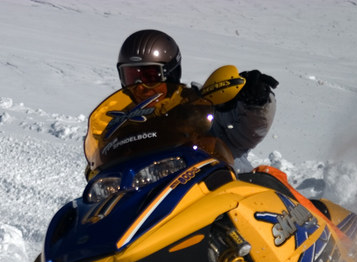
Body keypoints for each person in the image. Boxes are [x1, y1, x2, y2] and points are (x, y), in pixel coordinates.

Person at [97, 29, 279, 174]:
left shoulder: (199, 106)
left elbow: (244, 135)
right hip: (153, 202)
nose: (140, 86)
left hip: (217, 190)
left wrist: (255, 102)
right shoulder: (123, 122)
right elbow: (99, 167)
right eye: (131, 77)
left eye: (149, 76)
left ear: (170, 73)